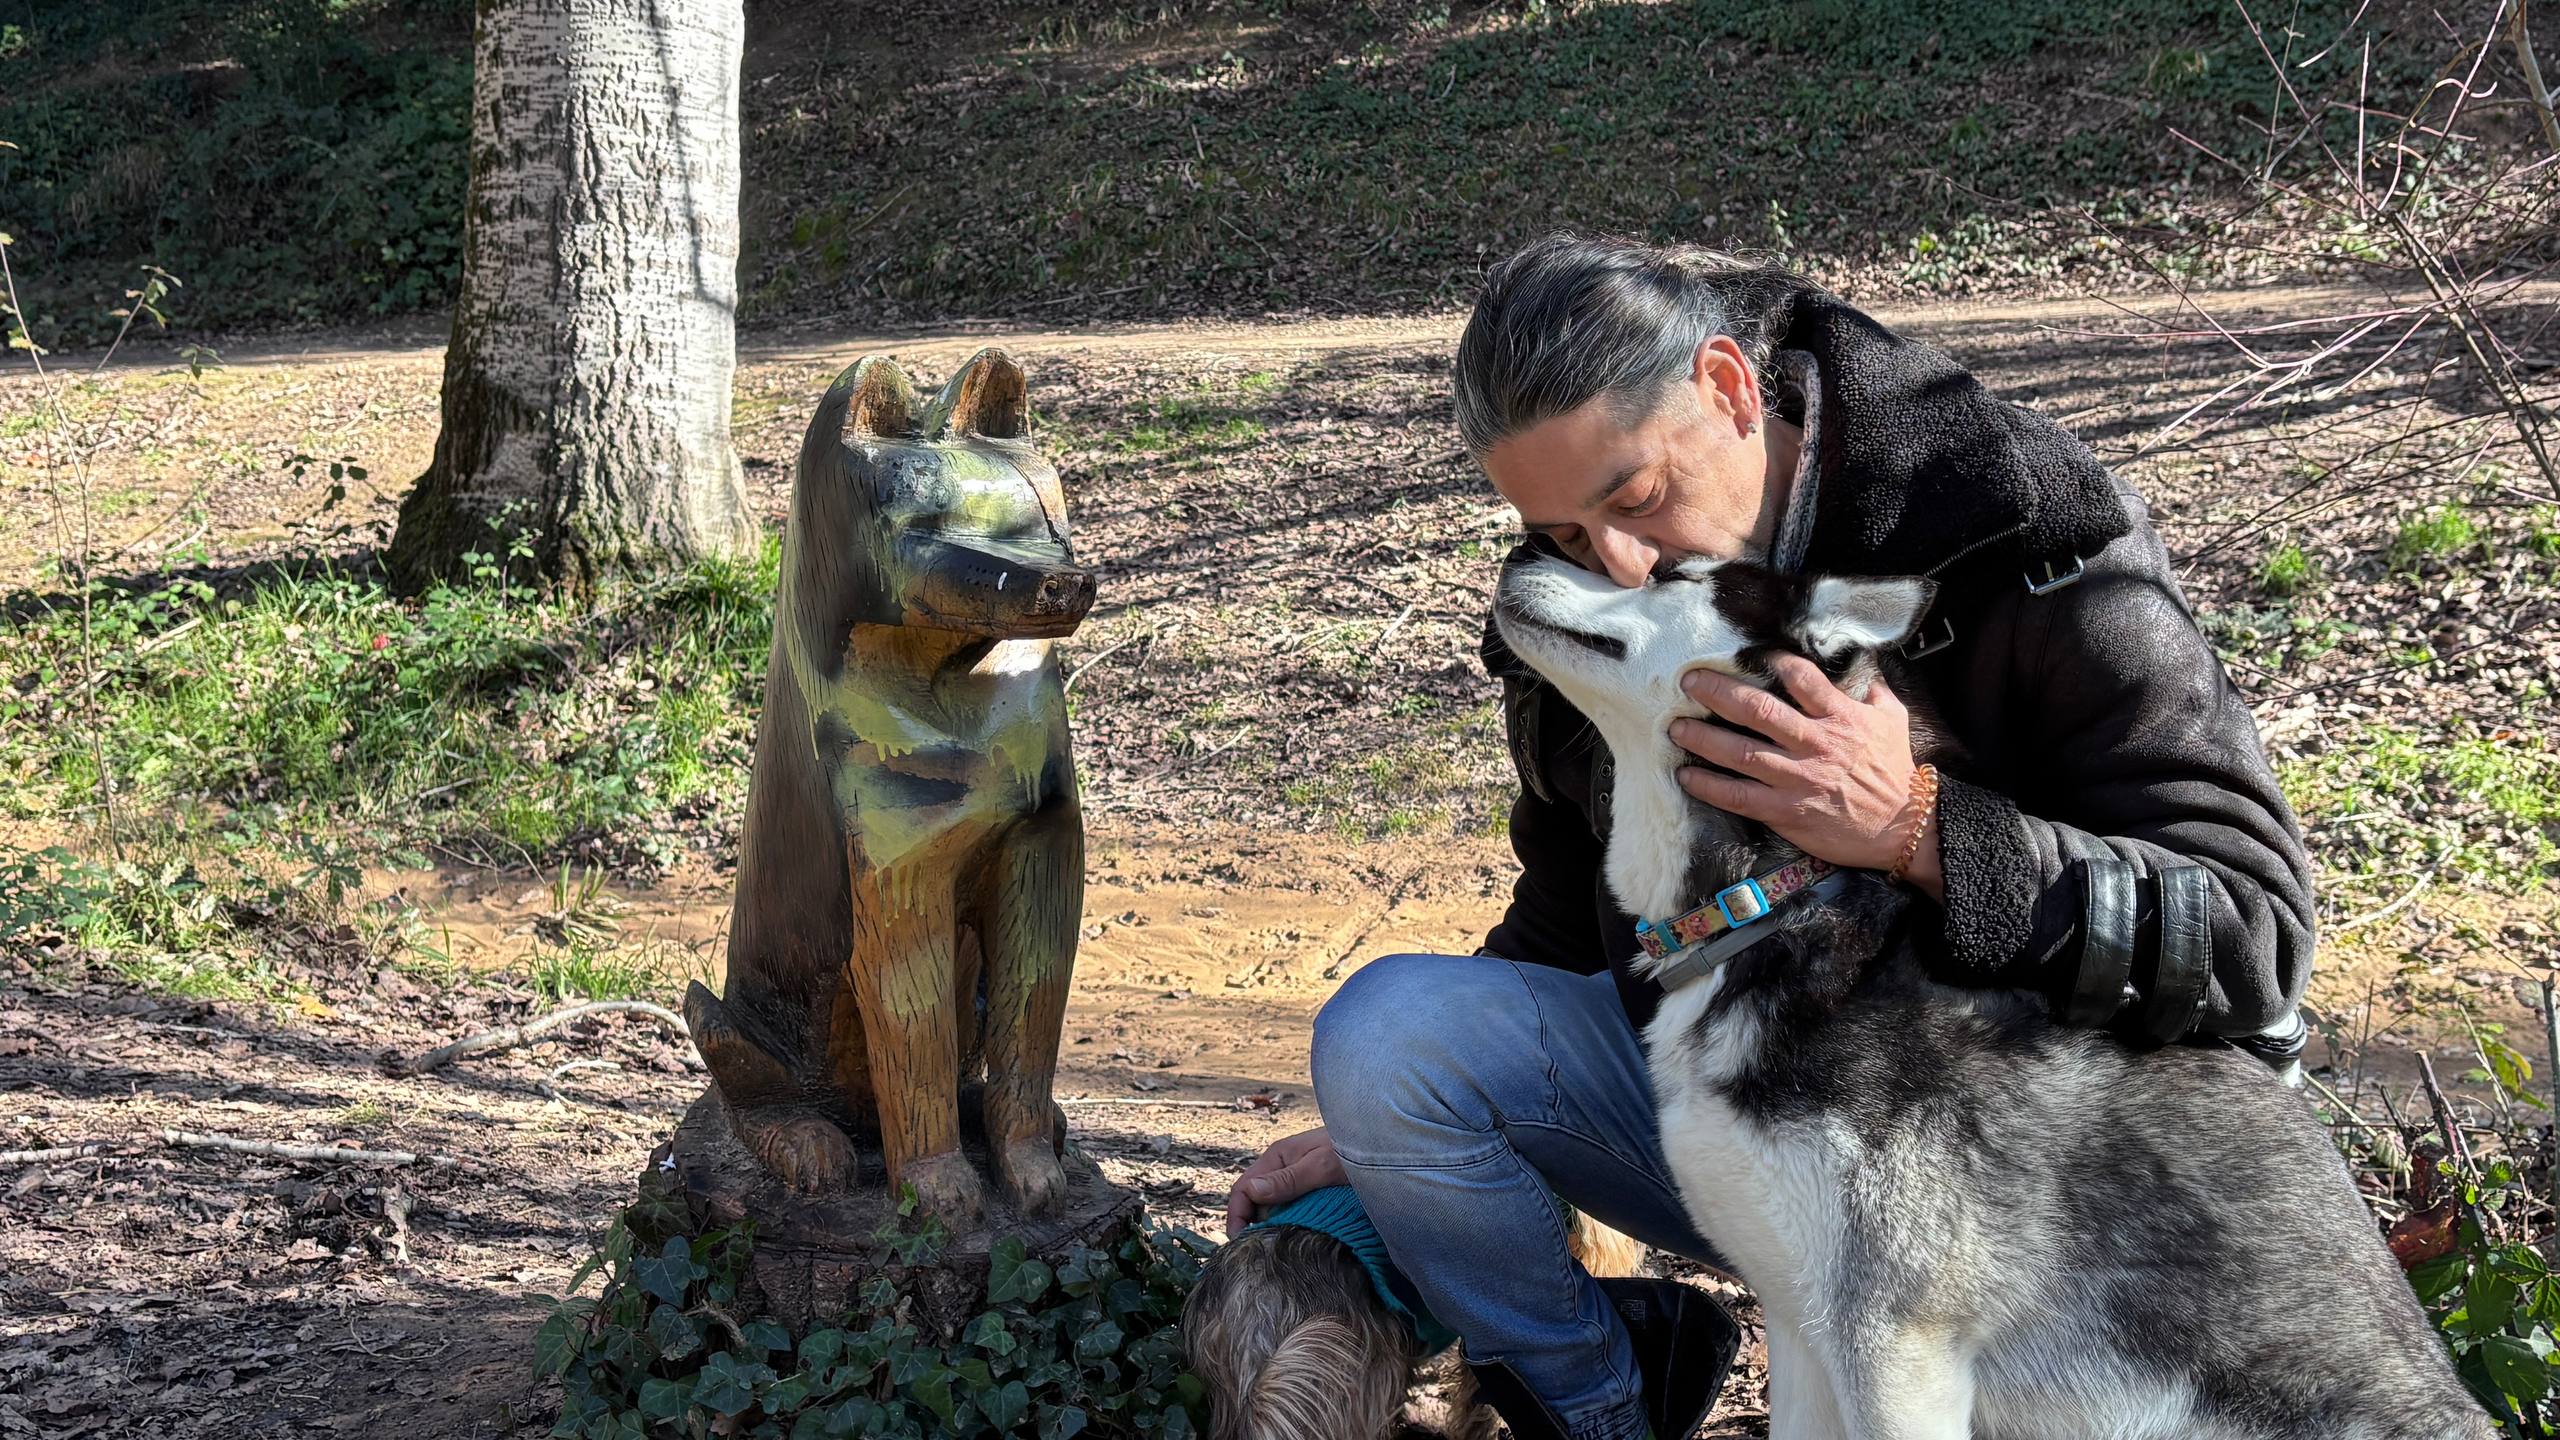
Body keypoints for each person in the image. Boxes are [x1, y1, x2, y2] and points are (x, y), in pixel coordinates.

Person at [1222, 233, 2317, 1440]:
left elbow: (2250, 938)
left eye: (1634, 498)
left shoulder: (2018, 526)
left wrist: (1916, 825)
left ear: (1732, 389)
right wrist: (1396, 1135)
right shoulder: (1596, 596)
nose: (1620, 565)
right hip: (1741, 1119)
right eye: (1563, 538)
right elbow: (1563, 908)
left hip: (2055, 1203)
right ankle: (1607, 1406)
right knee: (1392, 1043)